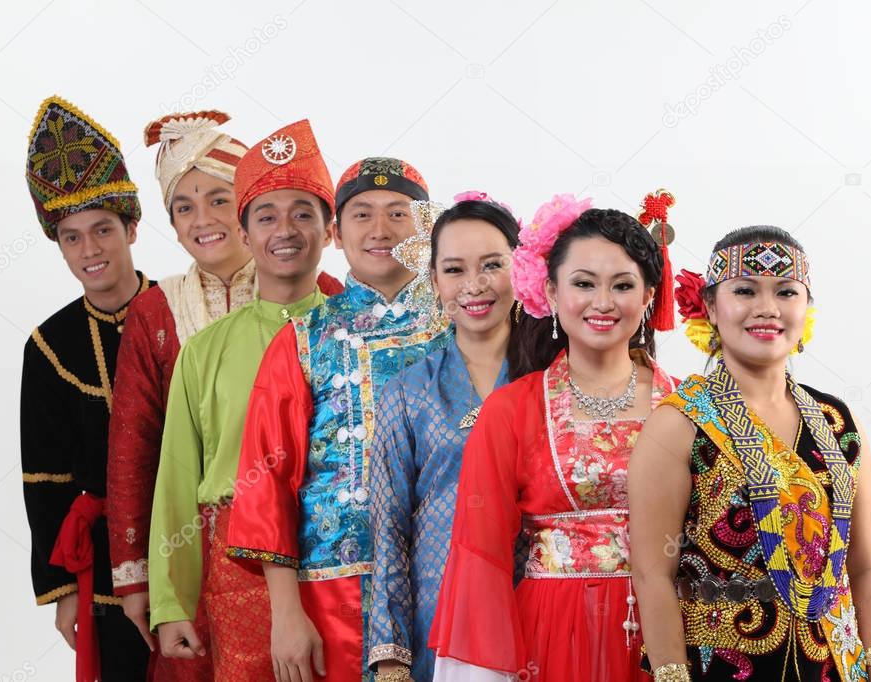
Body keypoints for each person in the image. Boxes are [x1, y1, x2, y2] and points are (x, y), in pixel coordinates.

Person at [105, 111, 343, 679]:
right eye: (266, 216)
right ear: (248, 230)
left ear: (330, 230)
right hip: (238, 567)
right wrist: (167, 597)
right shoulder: (202, 347)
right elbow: (174, 477)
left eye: (302, 214)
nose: (284, 231)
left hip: (345, 558)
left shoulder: (357, 329)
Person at [629, 227, 871, 681]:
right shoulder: (677, 425)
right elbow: (653, 574)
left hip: (834, 663)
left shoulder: (839, 423)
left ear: (805, 307)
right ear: (711, 308)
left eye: (786, 292)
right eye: (745, 290)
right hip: (723, 664)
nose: (767, 308)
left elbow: (866, 566)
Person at [429, 193, 679, 682]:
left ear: (649, 296)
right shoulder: (512, 410)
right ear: (550, 291)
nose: (602, 303)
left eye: (623, 285)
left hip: (673, 631)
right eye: (583, 283)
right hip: (553, 632)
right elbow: (482, 558)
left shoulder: (687, 407)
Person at [226, 158, 450, 681]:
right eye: (362, 214)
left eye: (399, 213)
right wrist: (286, 614)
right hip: (335, 591)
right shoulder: (304, 338)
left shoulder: (464, 326)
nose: (381, 230)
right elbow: (266, 481)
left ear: (428, 228)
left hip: (451, 578)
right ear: (335, 232)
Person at [20, 94, 151, 681]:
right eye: (72, 237)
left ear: (131, 227)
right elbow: (44, 476)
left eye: (102, 229)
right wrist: (59, 588)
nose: (90, 250)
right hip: (99, 569)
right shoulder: (49, 345)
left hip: (189, 548)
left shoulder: (184, 309)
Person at [369, 192, 524, 681]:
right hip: (440, 617)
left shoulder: (552, 378)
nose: (474, 286)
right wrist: (390, 649)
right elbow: (388, 526)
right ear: (434, 281)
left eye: (492, 265)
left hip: (537, 601)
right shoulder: (407, 392)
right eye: (454, 270)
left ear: (523, 269)